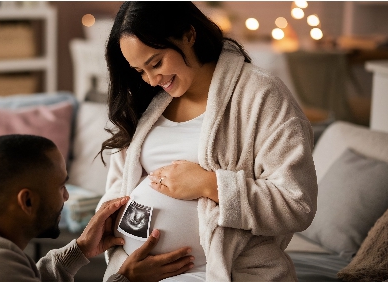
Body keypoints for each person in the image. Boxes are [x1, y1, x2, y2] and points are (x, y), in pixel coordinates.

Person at [97, 2, 318, 281]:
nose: (152, 79)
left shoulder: (260, 95)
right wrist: (125, 266)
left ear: (189, 35)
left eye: (156, 63)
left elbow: (296, 205)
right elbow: (117, 188)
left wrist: (209, 184)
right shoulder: (146, 102)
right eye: (140, 71)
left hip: (219, 272)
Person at [0, 134, 194, 282]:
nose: (67, 196)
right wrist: (127, 279)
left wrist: (80, 249)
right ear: (27, 201)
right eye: (60, 186)